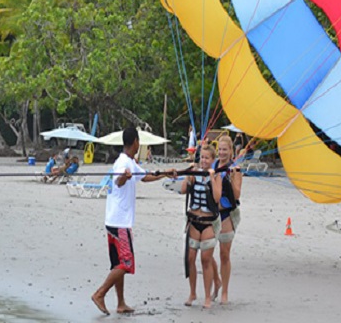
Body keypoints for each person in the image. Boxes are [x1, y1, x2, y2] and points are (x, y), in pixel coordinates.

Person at [91, 127, 176, 316]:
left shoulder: (129, 162)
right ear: (135, 142)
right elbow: (119, 181)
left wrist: (165, 173)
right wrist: (123, 177)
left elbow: (145, 177)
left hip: (113, 219)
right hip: (120, 222)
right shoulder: (123, 163)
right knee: (125, 263)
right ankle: (99, 294)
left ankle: (120, 303)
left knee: (117, 264)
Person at [180, 144, 222, 309]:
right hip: (194, 221)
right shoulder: (194, 173)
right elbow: (184, 190)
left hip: (208, 223)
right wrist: (187, 175)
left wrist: (211, 178)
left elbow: (217, 198)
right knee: (190, 258)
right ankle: (192, 293)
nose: (203, 161)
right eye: (202, 157)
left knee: (206, 260)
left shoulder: (216, 175)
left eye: (207, 158)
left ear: (212, 160)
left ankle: (207, 297)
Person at [211, 136, 243, 304]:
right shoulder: (213, 166)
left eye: (225, 149)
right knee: (207, 254)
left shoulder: (235, 169)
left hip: (226, 215)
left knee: (224, 254)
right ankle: (216, 280)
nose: (222, 152)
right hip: (212, 213)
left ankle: (225, 293)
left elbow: (237, 195)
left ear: (231, 151)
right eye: (220, 149)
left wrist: (230, 179)